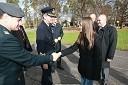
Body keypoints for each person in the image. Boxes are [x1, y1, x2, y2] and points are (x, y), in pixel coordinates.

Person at [0, 3, 60, 85]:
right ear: (6, 17)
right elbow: (29, 59)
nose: (21, 24)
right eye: (18, 20)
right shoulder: (5, 38)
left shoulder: (4, 33)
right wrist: (51, 57)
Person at [58, 17, 101, 85]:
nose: (79, 27)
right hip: (82, 67)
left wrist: (96, 74)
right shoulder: (81, 36)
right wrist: (59, 53)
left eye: (81, 25)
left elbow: (98, 58)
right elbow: (73, 48)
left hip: (90, 71)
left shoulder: (96, 39)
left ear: (86, 26)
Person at [36, 7, 56, 85]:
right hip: (45, 58)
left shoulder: (48, 26)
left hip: (49, 56)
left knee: (47, 76)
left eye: (53, 16)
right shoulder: (41, 28)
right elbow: (40, 47)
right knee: (46, 77)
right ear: (44, 16)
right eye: (50, 16)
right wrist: (43, 62)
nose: (52, 18)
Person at [96, 14, 117, 85]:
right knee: (98, 68)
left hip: (105, 54)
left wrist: (110, 56)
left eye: (99, 20)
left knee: (105, 69)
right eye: (97, 20)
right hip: (97, 54)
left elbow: (113, 43)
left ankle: (105, 82)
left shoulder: (111, 29)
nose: (98, 21)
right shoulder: (97, 29)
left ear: (105, 20)